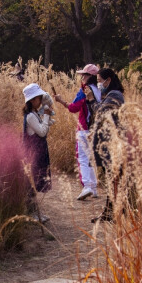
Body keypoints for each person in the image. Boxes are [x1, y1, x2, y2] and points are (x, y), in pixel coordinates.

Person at [53, 63, 101, 201]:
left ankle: (86, 186)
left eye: (84, 75)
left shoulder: (85, 90)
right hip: (95, 129)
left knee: (82, 158)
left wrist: (61, 101)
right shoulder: (100, 91)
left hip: (84, 129)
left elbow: (74, 107)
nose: (82, 77)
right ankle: (94, 187)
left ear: (89, 76)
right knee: (91, 158)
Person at [90, 68, 126, 223]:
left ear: (108, 80)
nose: (99, 84)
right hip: (108, 143)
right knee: (111, 179)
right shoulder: (109, 95)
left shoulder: (115, 95)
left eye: (100, 80)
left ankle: (115, 212)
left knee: (113, 179)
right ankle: (109, 211)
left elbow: (102, 113)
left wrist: (92, 100)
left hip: (113, 144)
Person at [21, 83, 53, 222]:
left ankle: (35, 213)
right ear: (32, 100)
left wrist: (47, 117)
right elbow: (42, 131)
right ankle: (32, 213)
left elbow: (44, 126)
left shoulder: (34, 114)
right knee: (31, 182)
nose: (41, 101)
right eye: (39, 98)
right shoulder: (30, 116)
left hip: (37, 152)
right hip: (33, 153)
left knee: (33, 181)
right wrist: (46, 116)